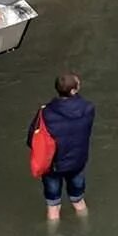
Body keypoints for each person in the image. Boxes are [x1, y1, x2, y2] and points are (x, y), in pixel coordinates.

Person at [27, 72, 95, 221]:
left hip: (53, 166)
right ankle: (84, 227)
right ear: (73, 91)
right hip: (77, 163)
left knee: (53, 206)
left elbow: (32, 138)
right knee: (78, 201)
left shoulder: (45, 113)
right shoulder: (88, 109)